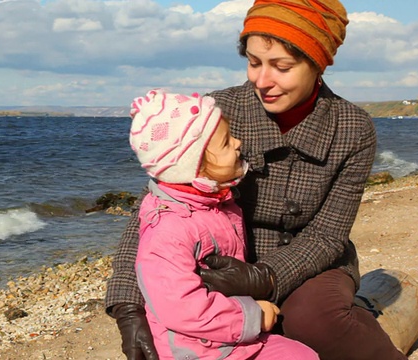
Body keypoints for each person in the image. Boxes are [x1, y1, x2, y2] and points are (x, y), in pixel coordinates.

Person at [105, 0, 408, 359]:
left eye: (282, 66)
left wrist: (264, 278)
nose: (262, 81)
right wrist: (128, 306)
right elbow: (154, 209)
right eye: (253, 62)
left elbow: (328, 235)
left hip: (313, 263)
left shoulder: (353, 128)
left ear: (317, 63)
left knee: (311, 321)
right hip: (221, 269)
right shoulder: (216, 111)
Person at [128, 88, 320, 360]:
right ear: (194, 167)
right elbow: (182, 309)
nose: (238, 142)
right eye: (226, 142)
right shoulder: (169, 229)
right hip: (198, 349)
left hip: (228, 339)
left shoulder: (216, 201)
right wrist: (253, 317)